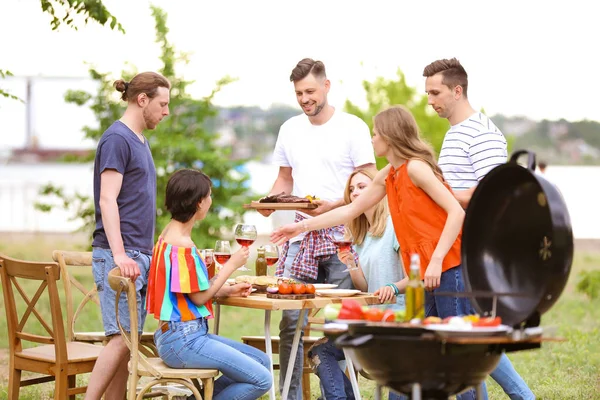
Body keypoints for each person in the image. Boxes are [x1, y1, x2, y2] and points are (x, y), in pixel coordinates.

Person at [272, 105, 480, 400]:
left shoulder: (417, 168)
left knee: (452, 354)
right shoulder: (390, 174)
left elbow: (455, 212)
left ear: (390, 136)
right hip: (426, 276)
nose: (371, 140)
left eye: (375, 133)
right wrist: (301, 228)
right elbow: (352, 209)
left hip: (447, 269)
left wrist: (434, 262)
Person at [258, 58, 376, 399]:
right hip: (301, 236)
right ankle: (291, 396)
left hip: (343, 237)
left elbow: (368, 182)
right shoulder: (290, 129)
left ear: (326, 85)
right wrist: (269, 203)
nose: (305, 99)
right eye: (298, 93)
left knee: (343, 320)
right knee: (290, 321)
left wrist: (334, 206)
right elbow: (284, 178)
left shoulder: (352, 127)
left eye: (310, 91)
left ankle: (338, 395)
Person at [424, 57, 535, 400]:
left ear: (457, 91)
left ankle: (524, 396)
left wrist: (438, 194)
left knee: (467, 342)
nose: (430, 100)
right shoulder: (455, 132)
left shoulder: (483, 133)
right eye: (427, 93)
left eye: (435, 92)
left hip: (470, 250)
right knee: (461, 337)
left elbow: (492, 193)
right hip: (451, 246)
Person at [147, 169, 272, 400]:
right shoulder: (183, 245)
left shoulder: (167, 234)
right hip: (184, 340)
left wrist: (228, 289)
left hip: (178, 334)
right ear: (198, 203)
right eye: (209, 195)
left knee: (261, 360)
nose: (211, 200)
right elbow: (199, 298)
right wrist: (231, 265)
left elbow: (190, 291)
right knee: (262, 379)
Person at [86, 72, 171, 400]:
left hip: (137, 254)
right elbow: (108, 199)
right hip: (118, 255)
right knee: (122, 338)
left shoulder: (139, 140)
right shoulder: (117, 139)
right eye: (162, 104)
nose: (165, 112)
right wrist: (120, 255)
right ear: (142, 99)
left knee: (124, 339)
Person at [308, 168, 407, 400]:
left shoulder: (395, 226)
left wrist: (392, 287)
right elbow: (363, 287)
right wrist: (351, 264)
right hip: (371, 325)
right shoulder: (360, 235)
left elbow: (416, 277)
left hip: (398, 323)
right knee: (320, 350)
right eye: (351, 189)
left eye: (362, 187)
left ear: (378, 191)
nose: (355, 193)